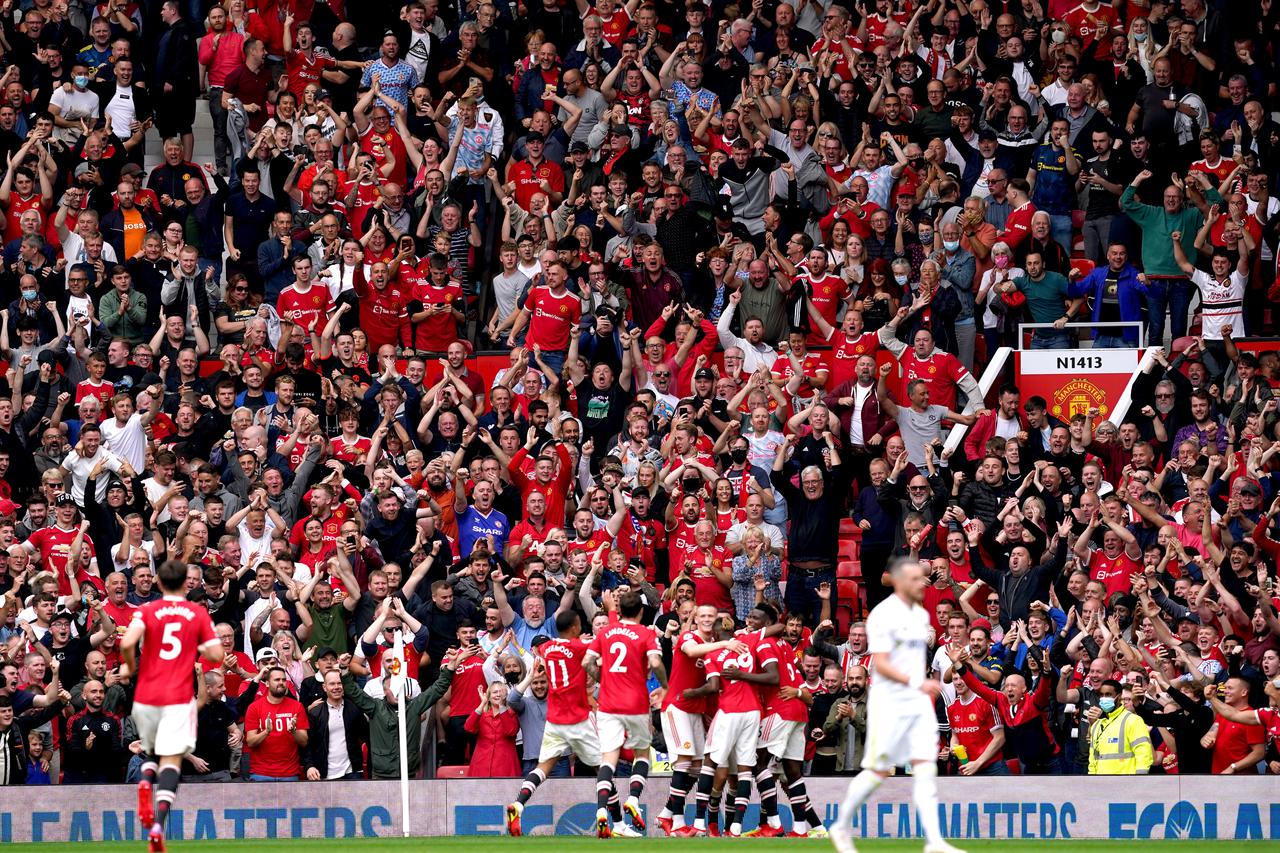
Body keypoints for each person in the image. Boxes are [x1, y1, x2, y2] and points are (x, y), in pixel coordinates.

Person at [830, 558, 962, 853]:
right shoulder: (883, 615)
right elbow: (883, 665)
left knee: (926, 766)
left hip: (915, 704)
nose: (922, 584)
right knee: (877, 771)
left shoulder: (919, 615)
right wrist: (919, 683)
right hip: (889, 703)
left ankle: (935, 842)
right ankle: (841, 825)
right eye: (916, 579)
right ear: (901, 582)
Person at [119, 559, 224, 853]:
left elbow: (127, 644)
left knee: (153, 752)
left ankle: (145, 780)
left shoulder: (147, 610)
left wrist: (128, 669)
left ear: (160, 584)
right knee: (172, 762)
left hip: (147, 694)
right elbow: (216, 652)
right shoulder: (195, 613)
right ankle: (158, 824)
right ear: (186, 584)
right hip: (177, 695)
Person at [584, 591, 667, 838]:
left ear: (620, 611)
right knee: (642, 756)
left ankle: (601, 811)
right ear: (641, 612)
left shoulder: (605, 633)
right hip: (636, 703)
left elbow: (587, 663)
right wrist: (665, 686)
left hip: (608, 704)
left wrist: (604, 678)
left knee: (608, 759)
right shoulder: (646, 633)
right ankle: (633, 798)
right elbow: (654, 663)